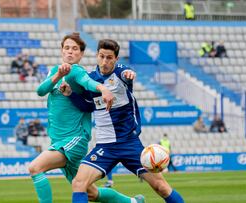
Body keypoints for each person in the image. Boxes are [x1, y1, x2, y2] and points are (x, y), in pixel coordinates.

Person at [61, 39, 184, 203]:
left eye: (109, 58)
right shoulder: (90, 79)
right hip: (105, 146)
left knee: (161, 187)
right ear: (97, 55)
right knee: (79, 183)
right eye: (102, 56)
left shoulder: (121, 73)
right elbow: (87, 106)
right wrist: (70, 94)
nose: (105, 61)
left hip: (129, 144)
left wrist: (129, 75)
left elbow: (127, 74)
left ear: (116, 59)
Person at [28, 33, 141, 203]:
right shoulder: (54, 72)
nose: (70, 52)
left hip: (73, 140)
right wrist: (58, 75)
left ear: (81, 54)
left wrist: (103, 89)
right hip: (58, 140)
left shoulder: (77, 71)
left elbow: (87, 82)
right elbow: (40, 91)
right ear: (61, 51)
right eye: (67, 48)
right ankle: (133, 202)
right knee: (92, 194)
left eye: (75, 49)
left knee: (35, 168)